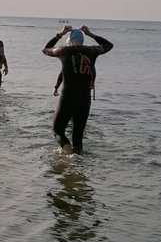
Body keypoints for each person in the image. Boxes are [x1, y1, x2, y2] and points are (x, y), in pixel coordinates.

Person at [42, 24, 113, 154]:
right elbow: (109, 45)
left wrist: (60, 34)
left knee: (58, 131)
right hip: (84, 100)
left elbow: (46, 49)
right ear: (82, 40)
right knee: (78, 138)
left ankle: (68, 156)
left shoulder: (64, 51)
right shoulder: (92, 50)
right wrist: (90, 34)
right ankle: (78, 164)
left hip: (67, 98)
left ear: (70, 40)